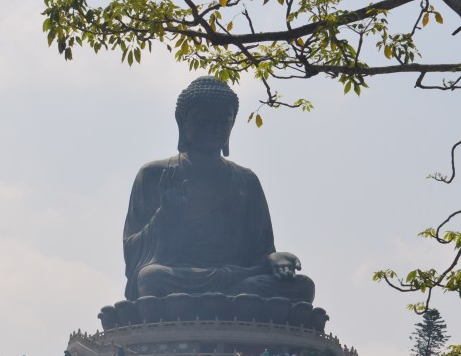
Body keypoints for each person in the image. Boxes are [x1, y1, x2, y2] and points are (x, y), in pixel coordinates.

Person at [122, 77, 316, 301]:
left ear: (232, 124)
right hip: (180, 278)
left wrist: (273, 259)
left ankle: (231, 299)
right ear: (182, 122)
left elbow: (259, 254)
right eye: (203, 121)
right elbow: (133, 254)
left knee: (303, 287)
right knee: (151, 278)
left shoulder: (246, 180)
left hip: (240, 279)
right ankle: (234, 301)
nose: (214, 129)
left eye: (223, 121)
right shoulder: (155, 174)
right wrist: (166, 215)